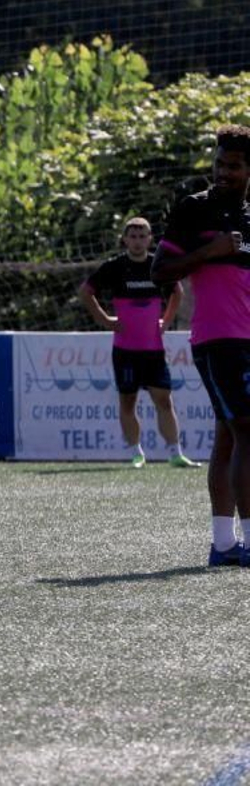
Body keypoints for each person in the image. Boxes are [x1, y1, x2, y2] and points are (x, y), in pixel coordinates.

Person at [153, 125, 250, 567]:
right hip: (219, 340)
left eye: (233, 165)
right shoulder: (195, 208)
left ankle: (224, 544)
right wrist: (210, 251)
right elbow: (160, 271)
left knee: (229, 435)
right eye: (218, 163)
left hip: (246, 339)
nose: (223, 172)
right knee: (246, 432)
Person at [78, 217, 194, 469]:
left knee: (164, 400)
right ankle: (136, 453)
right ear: (124, 239)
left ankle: (175, 453)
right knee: (128, 402)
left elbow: (178, 292)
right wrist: (103, 319)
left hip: (153, 350)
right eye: (133, 236)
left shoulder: (157, 265)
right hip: (125, 350)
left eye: (143, 236)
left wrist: (166, 321)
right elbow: (85, 291)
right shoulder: (115, 266)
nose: (138, 241)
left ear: (150, 239)